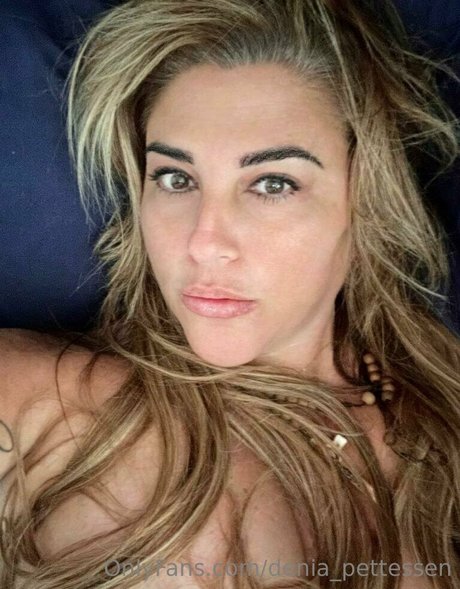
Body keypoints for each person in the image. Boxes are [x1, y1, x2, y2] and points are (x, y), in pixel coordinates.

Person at [1, 0, 459, 587]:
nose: (204, 243)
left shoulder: (442, 417)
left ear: (366, 201)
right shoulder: (46, 407)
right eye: (176, 179)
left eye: (273, 183)